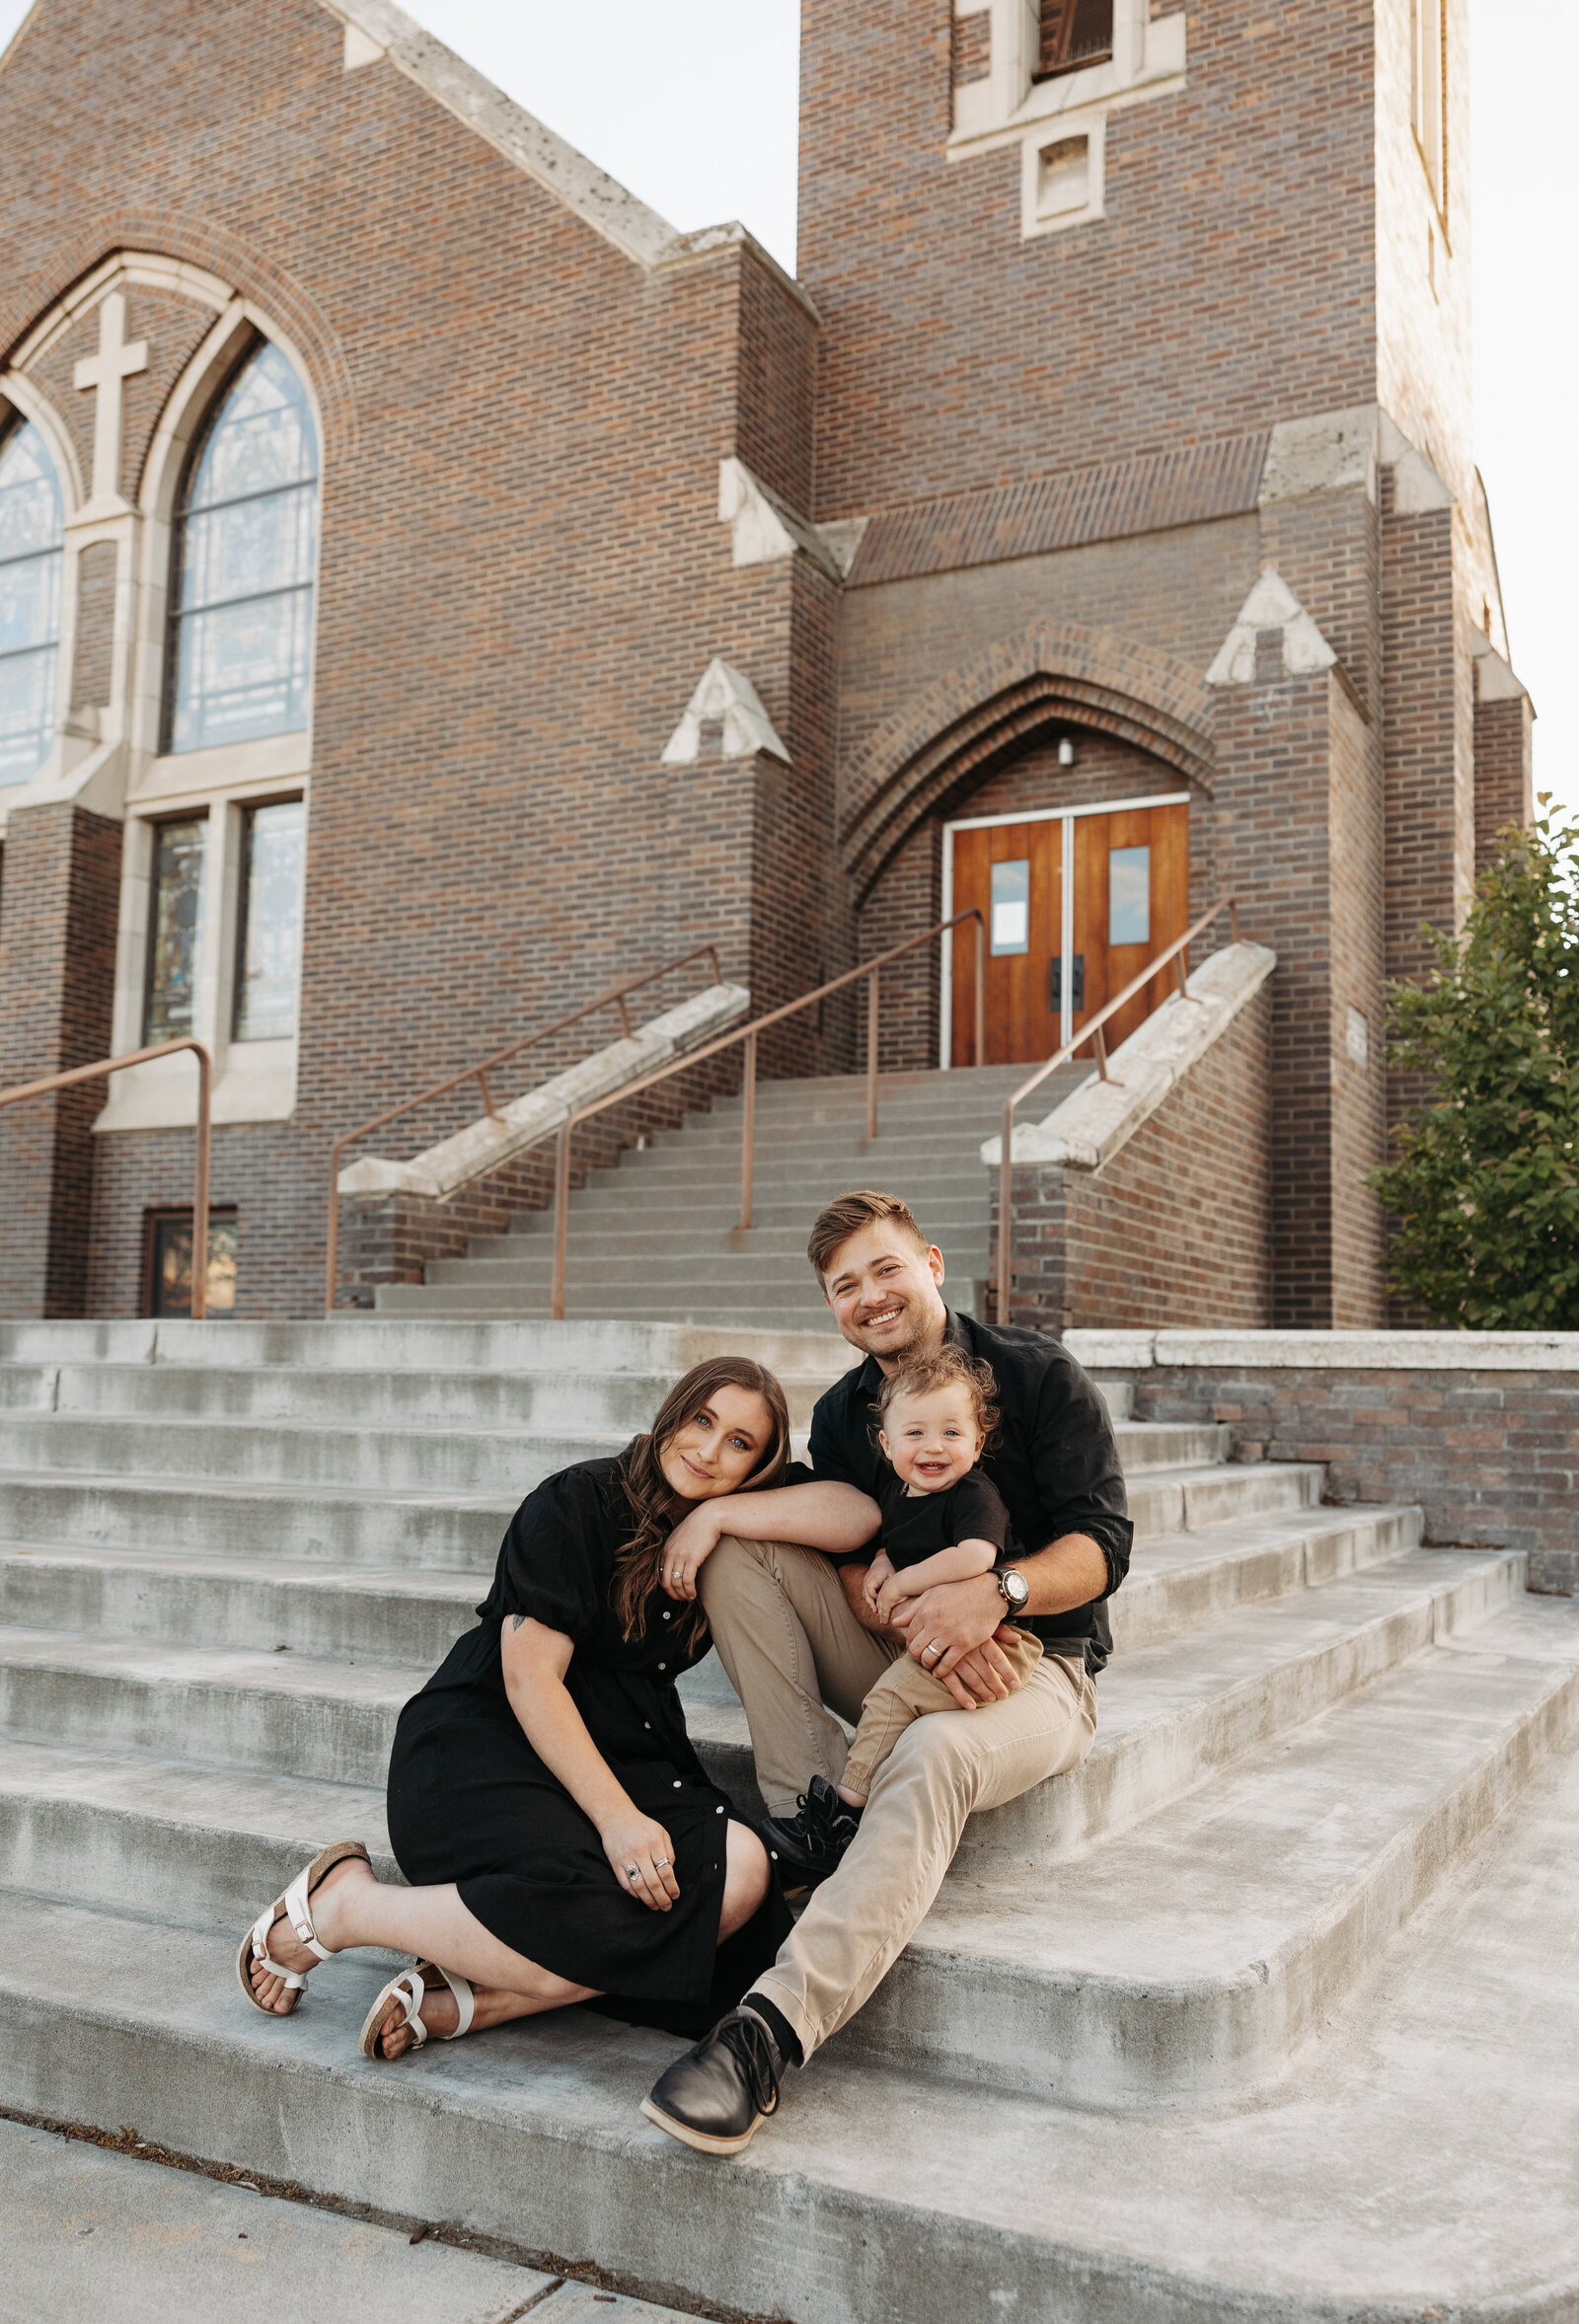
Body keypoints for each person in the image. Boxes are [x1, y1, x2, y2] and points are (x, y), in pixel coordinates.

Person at [639, 1189, 1131, 2155]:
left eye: (884, 1270)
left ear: (933, 1264)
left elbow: (1104, 1542)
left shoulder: (1036, 1376)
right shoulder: (843, 1412)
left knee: (936, 1752)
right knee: (743, 1555)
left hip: (1033, 1671)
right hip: (907, 1650)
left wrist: (1000, 1591)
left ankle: (765, 2034)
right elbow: (851, 1533)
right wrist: (733, 1522)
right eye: (844, 1287)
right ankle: (812, 1828)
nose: (869, 1298)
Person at [236, 1356, 877, 2058]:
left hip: (632, 1748)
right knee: (596, 1905)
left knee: (743, 1875)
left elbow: (858, 1512)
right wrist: (618, 1821)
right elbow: (530, 1680)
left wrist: (718, 1514)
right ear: (673, 1414)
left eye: (739, 1443)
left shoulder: (726, 1515)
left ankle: (485, 1998)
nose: (708, 1450)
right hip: (490, 1740)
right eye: (702, 1420)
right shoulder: (577, 1500)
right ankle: (349, 1904)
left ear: (758, 1465)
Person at [759, 1342, 1041, 1880]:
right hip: (932, 1637)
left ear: (978, 1443)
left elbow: (976, 1555)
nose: (934, 1448)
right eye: (915, 1434)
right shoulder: (898, 1491)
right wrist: (885, 1561)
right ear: (887, 1445)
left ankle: (845, 1808)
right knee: (898, 1693)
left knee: (889, 1696)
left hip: (996, 1646)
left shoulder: (974, 1494)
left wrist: (906, 1580)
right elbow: (899, 1540)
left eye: (952, 1433)